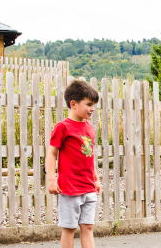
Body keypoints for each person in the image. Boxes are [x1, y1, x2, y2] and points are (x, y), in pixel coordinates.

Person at [46, 80, 102, 248]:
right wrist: (51, 179)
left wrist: (96, 179)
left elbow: (89, 157)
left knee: (88, 226)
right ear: (73, 104)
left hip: (88, 187)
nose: (93, 108)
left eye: (94, 105)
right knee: (69, 228)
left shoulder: (89, 127)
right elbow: (52, 153)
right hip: (70, 189)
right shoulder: (63, 127)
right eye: (89, 104)